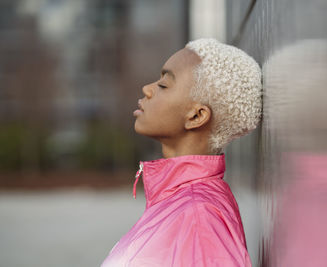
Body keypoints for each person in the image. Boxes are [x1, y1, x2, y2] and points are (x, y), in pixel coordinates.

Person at [101, 38, 262, 267]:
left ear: (196, 116)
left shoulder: (199, 218)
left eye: (164, 84)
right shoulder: (183, 204)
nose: (147, 89)